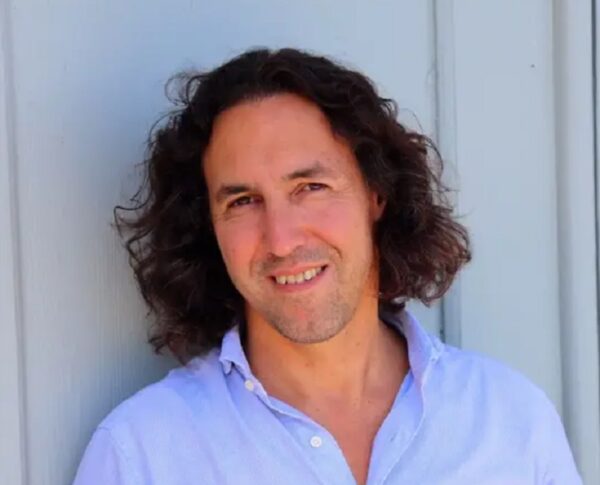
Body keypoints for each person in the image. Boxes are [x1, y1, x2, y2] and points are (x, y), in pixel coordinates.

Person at [73, 48, 581, 484]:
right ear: (208, 224)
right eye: (243, 201)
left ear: (376, 193)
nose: (281, 239)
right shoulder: (141, 455)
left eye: (310, 188)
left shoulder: (511, 423)